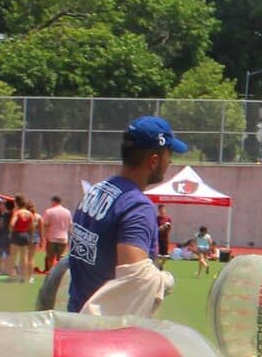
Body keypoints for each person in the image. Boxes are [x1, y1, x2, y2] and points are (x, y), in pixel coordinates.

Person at [67, 116, 186, 314]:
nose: (171, 161)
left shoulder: (97, 190)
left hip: (76, 319)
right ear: (153, 161)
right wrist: (166, 281)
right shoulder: (137, 207)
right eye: (169, 154)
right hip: (104, 332)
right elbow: (135, 277)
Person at [8, 195, 36, 283]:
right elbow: (32, 227)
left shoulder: (17, 212)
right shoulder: (29, 214)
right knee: (24, 257)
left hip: (17, 234)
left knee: (13, 256)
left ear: (16, 203)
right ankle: (23, 277)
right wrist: (30, 237)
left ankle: (12, 276)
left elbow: (12, 224)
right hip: (25, 235)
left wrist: (10, 232)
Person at [42, 195, 72, 271]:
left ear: (53, 201)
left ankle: (51, 273)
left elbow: (45, 224)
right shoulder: (67, 212)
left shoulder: (49, 211)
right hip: (63, 238)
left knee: (50, 257)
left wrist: (44, 236)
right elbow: (70, 225)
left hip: (52, 238)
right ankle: (59, 274)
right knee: (61, 258)